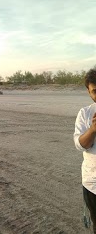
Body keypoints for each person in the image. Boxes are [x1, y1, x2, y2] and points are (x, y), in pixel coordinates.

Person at [74, 67, 96, 232]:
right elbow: (80, 144)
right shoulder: (85, 114)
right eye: (95, 91)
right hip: (93, 184)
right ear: (89, 93)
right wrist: (93, 129)